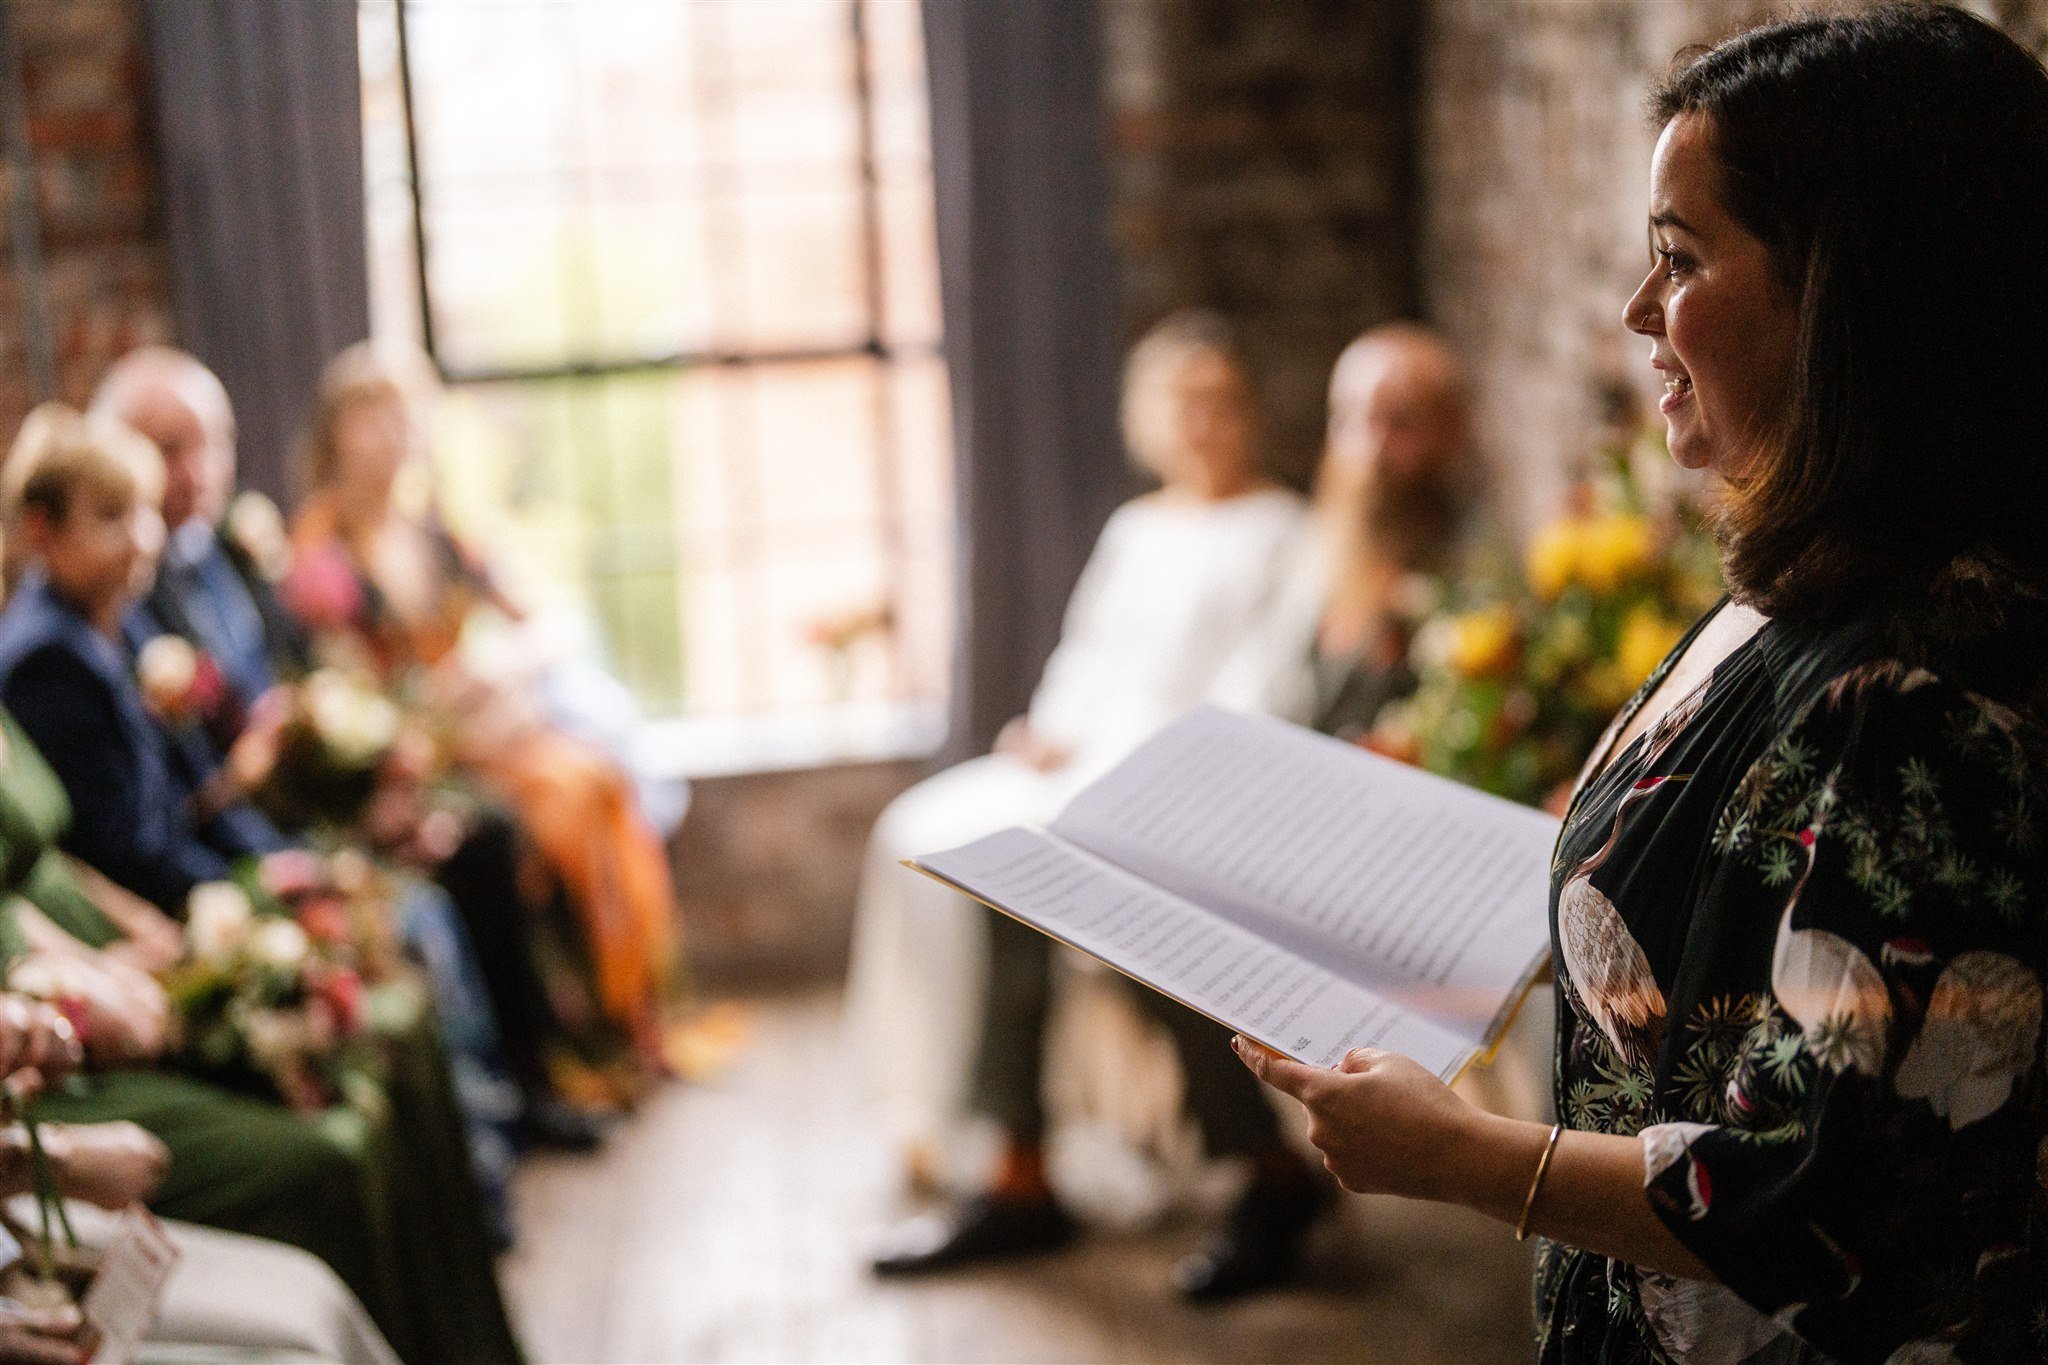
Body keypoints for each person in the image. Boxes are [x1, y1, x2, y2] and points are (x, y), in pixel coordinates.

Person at [1231, 9, 2048, 1362]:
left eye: (1680, 257)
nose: (1634, 308)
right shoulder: (1792, 583)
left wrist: (1469, 1158)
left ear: (1849, 289)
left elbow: (1825, 1192)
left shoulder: (1934, 694)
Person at [0, 405, 523, 1365]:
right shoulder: (42, 657)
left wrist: (225, 895)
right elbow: (125, 846)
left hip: (101, 944)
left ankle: (465, 1326)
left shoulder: (98, 633)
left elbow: (50, 861)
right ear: (43, 529)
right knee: (334, 1134)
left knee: (388, 1021)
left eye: (141, 514)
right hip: (58, 1022)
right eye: (110, 517)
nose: (143, 541)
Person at [858, 312, 1330, 1300]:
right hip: (1087, 766)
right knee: (949, 843)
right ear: (1142, 419)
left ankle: (1264, 1167)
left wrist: (1141, 766)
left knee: (1134, 901)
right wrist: (1048, 729)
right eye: (1179, 403)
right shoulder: (1135, 528)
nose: (1200, 423)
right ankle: (1009, 1158)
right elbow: (1087, 659)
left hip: (1203, 783)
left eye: (1219, 402)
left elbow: (1263, 685)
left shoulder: (1284, 528)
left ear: (1246, 414)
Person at [90, 346, 603, 1155]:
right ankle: (485, 1130)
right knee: (450, 882)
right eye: (165, 447)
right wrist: (327, 836)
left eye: (208, 445)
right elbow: (186, 785)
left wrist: (383, 781)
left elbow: (303, 687)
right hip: (260, 829)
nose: (191, 471)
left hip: (329, 788)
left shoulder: (232, 551)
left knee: (530, 812)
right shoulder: (130, 592)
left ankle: (529, 1083)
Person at [291, 342, 680, 1102]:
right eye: (371, 415)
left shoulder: (437, 530)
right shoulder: (322, 553)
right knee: (559, 804)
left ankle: (621, 1019)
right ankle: (558, 1046)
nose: (392, 433)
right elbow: (346, 695)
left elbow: (545, 618)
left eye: (404, 413)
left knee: (598, 776)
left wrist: (502, 671)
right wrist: (449, 713)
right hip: (411, 756)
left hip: (482, 728)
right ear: (335, 430)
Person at [1212, 322, 1482, 738]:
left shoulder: (1475, 571)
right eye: (1349, 417)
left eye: (1399, 422)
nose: (1368, 449)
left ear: (1451, 430)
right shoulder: (1304, 550)